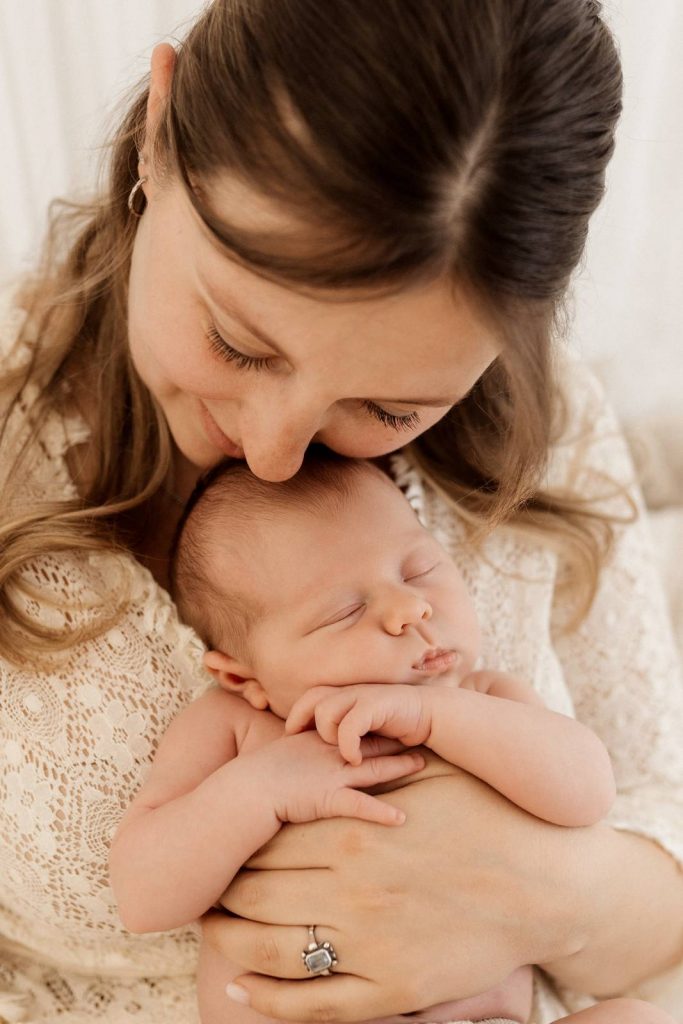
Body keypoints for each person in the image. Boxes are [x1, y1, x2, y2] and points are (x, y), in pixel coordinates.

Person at [0, 1, 681, 1022]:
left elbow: (648, 806)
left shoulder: (548, 430)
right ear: (159, 133)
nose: (272, 450)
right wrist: (319, 951)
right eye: (238, 342)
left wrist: (536, 898)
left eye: (390, 407)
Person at [111, 450, 654, 1024]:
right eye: (345, 611)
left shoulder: (485, 700)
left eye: (419, 570)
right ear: (246, 677)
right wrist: (259, 792)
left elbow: (588, 792)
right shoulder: (236, 729)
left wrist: (432, 715)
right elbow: (143, 898)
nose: (409, 608)